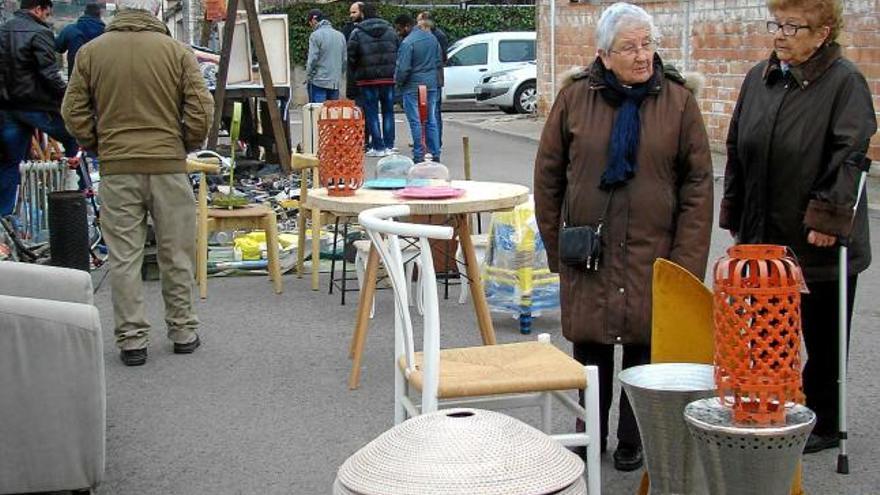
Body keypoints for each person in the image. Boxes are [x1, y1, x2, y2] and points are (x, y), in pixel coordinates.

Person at [533, 2, 713, 471]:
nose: (642, 56)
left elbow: (698, 184)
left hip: (654, 251)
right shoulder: (574, 99)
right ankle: (588, 428)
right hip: (588, 250)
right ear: (604, 54)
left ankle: (636, 436)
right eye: (629, 47)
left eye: (648, 44)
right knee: (590, 346)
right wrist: (557, 247)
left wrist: (685, 263)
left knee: (645, 347)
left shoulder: (678, 101)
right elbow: (548, 177)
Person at [721, 0, 875, 454]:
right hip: (765, 235)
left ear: (823, 33)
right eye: (777, 23)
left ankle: (826, 421)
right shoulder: (759, 77)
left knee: (823, 335)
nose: (781, 34)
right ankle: (774, 404)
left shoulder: (845, 82)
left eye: (793, 26)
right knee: (768, 329)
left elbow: (851, 152)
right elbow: (736, 144)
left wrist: (828, 214)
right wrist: (735, 209)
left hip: (817, 238)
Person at [62, 0, 214, 367]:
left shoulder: (91, 52)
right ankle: (183, 331)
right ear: (155, 18)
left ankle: (131, 340)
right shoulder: (176, 52)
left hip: (117, 168)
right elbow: (201, 107)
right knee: (175, 252)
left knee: (124, 256)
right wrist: (186, 144)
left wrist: (96, 144)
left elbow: (72, 110)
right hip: (167, 165)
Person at [0, 0, 79, 217]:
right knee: (75, 137)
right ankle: (79, 200)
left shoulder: (3, 30)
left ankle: (4, 220)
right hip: (37, 106)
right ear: (38, 9)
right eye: (47, 13)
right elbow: (49, 73)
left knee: (9, 164)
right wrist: (68, 97)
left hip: (7, 107)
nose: (47, 18)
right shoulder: (40, 32)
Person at [347, 2, 398, 157]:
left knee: (371, 112)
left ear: (362, 14)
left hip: (367, 79)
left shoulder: (357, 32)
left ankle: (378, 146)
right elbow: (398, 49)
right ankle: (389, 145)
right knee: (388, 111)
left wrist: (357, 71)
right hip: (388, 78)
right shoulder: (390, 30)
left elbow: (351, 56)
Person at [394, 13, 442, 163]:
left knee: (415, 121)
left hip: (413, 86)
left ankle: (418, 154)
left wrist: (398, 83)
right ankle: (435, 153)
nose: (398, 32)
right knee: (431, 119)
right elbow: (438, 60)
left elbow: (403, 68)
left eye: (399, 29)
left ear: (407, 26)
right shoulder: (432, 38)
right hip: (431, 84)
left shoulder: (408, 43)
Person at [416, 11, 447, 148]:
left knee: (433, 112)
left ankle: (434, 142)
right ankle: (431, 141)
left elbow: (441, 58)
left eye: (418, 21)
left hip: (433, 78)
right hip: (435, 78)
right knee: (431, 112)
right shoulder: (438, 35)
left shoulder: (436, 36)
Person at [342, 2, 369, 151]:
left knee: (363, 109)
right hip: (363, 77)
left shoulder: (354, 32)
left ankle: (363, 139)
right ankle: (365, 139)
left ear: (362, 12)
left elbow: (350, 56)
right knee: (363, 110)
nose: (351, 15)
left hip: (360, 76)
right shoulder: (348, 29)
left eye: (354, 12)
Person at [305, 9, 346, 104]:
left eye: (310, 23)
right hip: (334, 82)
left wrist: (309, 75)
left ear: (314, 20)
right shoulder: (340, 35)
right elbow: (344, 60)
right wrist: (338, 75)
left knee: (318, 113)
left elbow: (312, 59)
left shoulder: (315, 35)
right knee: (332, 115)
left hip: (318, 81)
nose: (311, 26)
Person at [55, 2, 104, 77]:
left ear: (84, 13)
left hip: (75, 79)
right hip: (99, 80)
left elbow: (58, 47)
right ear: (100, 15)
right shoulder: (107, 33)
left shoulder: (70, 29)